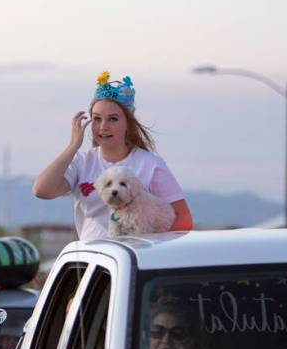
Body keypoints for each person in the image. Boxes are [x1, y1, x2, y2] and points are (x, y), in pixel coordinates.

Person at [33, 71, 193, 240]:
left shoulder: (151, 164)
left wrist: (153, 249)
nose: (103, 127)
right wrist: (73, 146)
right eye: (96, 119)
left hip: (137, 258)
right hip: (94, 261)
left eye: (113, 119)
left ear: (128, 124)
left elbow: (183, 218)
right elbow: (42, 190)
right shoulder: (82, 162)